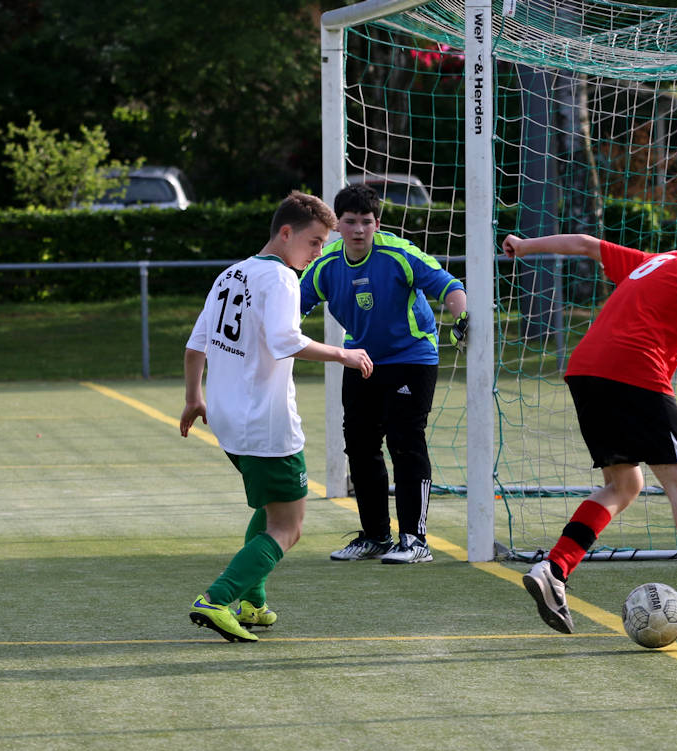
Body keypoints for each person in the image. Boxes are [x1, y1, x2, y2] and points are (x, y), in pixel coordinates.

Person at [501, 233, 677, 647]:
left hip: (586, 371)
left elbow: (585, 244)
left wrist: (525, 247)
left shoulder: (663, 261)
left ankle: (555, 570)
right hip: (634, 372)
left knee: (624, 484)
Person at [181, 191, 374, 642]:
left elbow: (195, 347)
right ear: (285, 233)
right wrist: (345, 354)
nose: (318, 252)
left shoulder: (231, 273)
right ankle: (216, 598)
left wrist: (194, 398)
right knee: (289, 527)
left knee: (271, 509)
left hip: (226, 421)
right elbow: (288, 340)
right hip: (265, 423)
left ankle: (254, 602)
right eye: (314, 242)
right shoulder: (282, 280)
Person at [300, 183, 468, 564]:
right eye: (350, 222)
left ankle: (415, 540)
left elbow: (449, 286)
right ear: (336, 226)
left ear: (377, 224)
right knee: (359, 447)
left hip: (412, 358)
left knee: (405, 442)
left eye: (366, 222)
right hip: (360, 360)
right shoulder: (326, 264)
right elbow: (293, 305)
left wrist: (462, 317)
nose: (358, 230)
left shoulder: (398, 254)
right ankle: (375, 536)